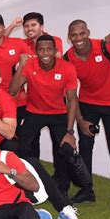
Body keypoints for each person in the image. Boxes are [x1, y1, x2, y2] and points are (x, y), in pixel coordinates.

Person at [10, 35, 78, 198]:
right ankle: (29, 183)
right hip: (34, 112)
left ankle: (62, 188)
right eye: (41, 49)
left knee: (64, 149)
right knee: (23, 147)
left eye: (49, 49)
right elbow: (13, 90)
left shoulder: (67, 68)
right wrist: (21, 67)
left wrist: (70, 132)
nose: (45, 53)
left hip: (58, 113)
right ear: (36, 51)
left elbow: (72, 100)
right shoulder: (30, 65)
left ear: (55, 50)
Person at [64, 19, 110, 203]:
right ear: (69, 38)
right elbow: (71, 94)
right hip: (87, 104)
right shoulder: (68, 58)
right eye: (74, 35)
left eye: (82, 33)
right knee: (85, 147)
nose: (78, 38)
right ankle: (87, 190)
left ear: (88, 32)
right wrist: (80, 120)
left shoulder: (105, 47)